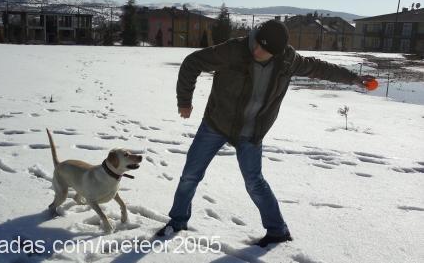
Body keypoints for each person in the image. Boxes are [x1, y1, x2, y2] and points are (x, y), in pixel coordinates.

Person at [155, 20, 374, 247]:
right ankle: (178, 221)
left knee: (255, 183)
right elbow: (192, 63)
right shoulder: (234, 50)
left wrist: (354, 79)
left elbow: (321, 68)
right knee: (190, 174)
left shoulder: (288, 61)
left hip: (251, 132)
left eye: (265, 50)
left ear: (277, 53)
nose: (257, 51)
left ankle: (278, 231)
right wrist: (184, 101)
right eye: (258, 44)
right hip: (217, 123)